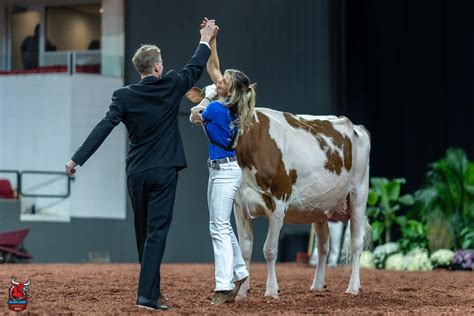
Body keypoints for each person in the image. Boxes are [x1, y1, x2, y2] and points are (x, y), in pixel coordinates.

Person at [65, 19, 219, 311]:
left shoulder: (124, 96)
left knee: (143, 234)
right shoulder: (171, 84)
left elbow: (102, 128)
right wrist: (205, 37)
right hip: (163, 171)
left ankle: (152, 290)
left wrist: (77, 159)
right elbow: (196, 66)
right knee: (156, 232)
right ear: (157, 66)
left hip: (136, 173)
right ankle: (147, 296)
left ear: (141, 69)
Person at [196, 18, 255, 305]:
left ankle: (223, 285)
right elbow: (213, 66)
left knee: (218, 227)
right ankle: (240, 271)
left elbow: (196, 116)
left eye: (223, 82)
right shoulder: (231, 103)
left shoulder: (219, 109)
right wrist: (212, 38)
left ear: (228, 89)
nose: (218, 81)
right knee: (222, 225)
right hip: (222, 170)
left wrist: (204, 102)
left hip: (224, 172)